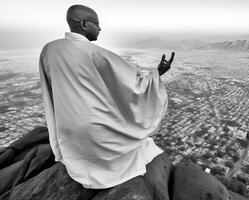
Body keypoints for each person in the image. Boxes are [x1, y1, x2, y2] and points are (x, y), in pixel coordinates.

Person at [39, 4, 175, 189]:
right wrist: (158, 73)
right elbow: (135, 86)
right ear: (84, 24)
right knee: (141, 144)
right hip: (95, 133)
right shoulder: (96, 53)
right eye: (97, 24)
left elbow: (51, 90)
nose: (100, 28)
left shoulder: (49, 49)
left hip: (68, 132)